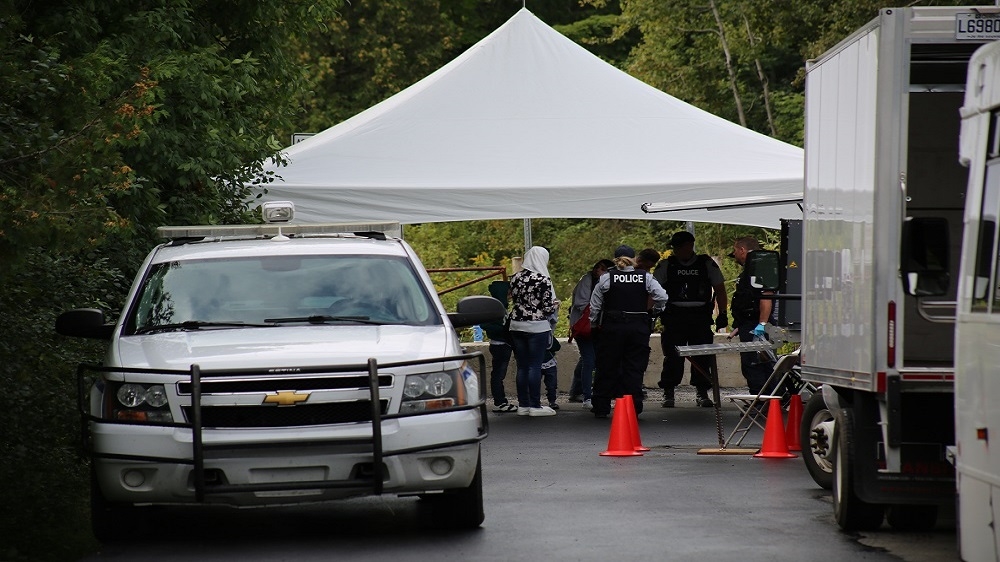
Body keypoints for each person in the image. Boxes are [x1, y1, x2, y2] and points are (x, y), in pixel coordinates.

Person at [589, 245, 668, 419]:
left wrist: (594, 324)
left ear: (615, 258)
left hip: (612, 326)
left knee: (607, 366)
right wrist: (656, 310)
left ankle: (601, 406)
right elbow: (662, 296)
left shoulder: (606, 278)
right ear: (634, 259)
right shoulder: (645, 277)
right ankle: (633, 407)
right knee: (634, 368)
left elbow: (594, 306)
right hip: (638, 327)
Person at [652, 231, 728, 408]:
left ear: (690, 245)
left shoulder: (705, 263)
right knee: (672, 356)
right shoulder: (666, 265)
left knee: (702, 354)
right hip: (674, 317)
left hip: (700, 316)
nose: (678, 250)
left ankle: (702, 392)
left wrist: (722, 313)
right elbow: (653, 290)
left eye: (682, 246)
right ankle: (669, 391)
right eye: (676, 247)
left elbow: (720, 289)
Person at [508, 246, 560, 417]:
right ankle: (535, 406)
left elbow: (513, 299)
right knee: (534, 366)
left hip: (516, 325)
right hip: (536, 326)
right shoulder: (543, 280)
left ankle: (523, 405)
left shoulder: (515, 277)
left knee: (522, 366)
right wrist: (555, 305)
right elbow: (546, 308)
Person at [730, 235, 776, 396]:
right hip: (749, 323)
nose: (734, 254)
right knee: (753, 363)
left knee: (757, 363)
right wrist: (740, 324)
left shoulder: (760, 265)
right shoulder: (752, 266)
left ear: (742, 250)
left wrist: (762, 324)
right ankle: (764, 399)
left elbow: (766, 297)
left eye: (735, 250)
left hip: (757, 325)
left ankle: (764, 401)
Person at [567, 259, 614, 409]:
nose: (600, 271)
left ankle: (576, 391)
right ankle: (587, 397)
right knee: (589, 360)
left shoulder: (606, 281)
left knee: (588, 359)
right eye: (600, 268)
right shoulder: (587, 281)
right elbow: (581, 304)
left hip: (597, 327)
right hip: (585, 327)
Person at [483, 279, 517, 412]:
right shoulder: (497, 308)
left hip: (502, 344)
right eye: (508, 293)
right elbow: (488, 326)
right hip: (500, 345)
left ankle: (500, 401)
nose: (510, 295)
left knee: (498, 374)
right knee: (498, 375)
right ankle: (500, 402)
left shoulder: (499, 307)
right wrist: (505, 332)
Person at [541, 334, 561, 410]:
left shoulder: (549, 335)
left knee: (552, 385)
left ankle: (552, 401)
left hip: (548, 362)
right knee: (551, 384)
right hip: (546, 363)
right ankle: (551, 401)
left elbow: (557, 346)